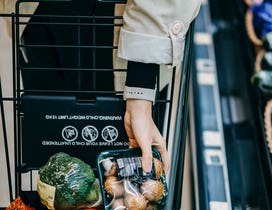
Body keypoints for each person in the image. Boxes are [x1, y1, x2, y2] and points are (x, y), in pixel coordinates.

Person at [0, 0, 201, 173]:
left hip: (123, 29)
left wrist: (140, 89)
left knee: (127, 185)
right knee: (55, 177)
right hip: (37, 16)